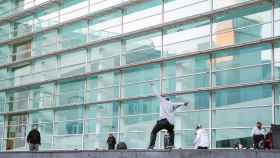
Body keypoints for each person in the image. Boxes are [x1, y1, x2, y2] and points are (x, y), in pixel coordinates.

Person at [148, 82, 189, 149]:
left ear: (164, 98)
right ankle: (171, 144)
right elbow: (177, 105)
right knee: (171, 132)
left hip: (163, 121)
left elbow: (156, 94)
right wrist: (183, 103)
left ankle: (151, 146)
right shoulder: (172, 104)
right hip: (170, 123)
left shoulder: (162, 101)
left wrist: (153, 86)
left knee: (154, 132)